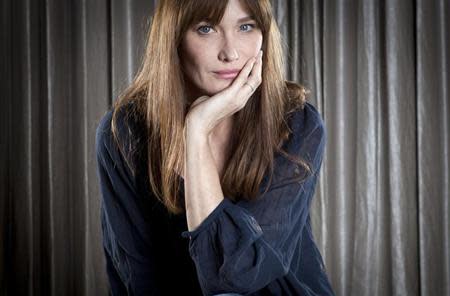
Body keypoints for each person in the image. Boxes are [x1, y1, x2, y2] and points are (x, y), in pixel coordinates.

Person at [95, 0, 335, 295]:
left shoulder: (296, 123)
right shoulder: (124, 133)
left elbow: (236, 274)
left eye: (246, 27)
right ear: (174, 37)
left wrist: (195, 132)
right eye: (206, 29)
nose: (230, 53)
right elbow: (137, 277)